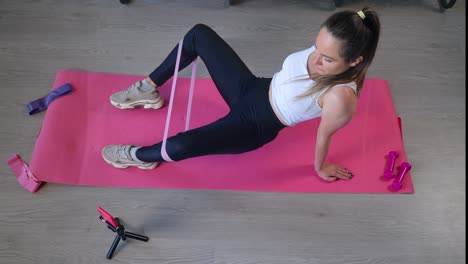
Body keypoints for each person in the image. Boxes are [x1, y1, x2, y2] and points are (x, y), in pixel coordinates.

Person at [102, 7, 381, 182]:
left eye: (327, 59)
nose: (316, 59)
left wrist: (321, 168)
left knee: (179, 146)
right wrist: (323, 53)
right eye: (316, 47)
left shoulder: (340, 97)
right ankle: (148, 88)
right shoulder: (327, 49)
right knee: (199, 34)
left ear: (355, 60)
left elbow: (325, 135)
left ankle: (139, 156)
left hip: (255, 126)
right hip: (253, 88)